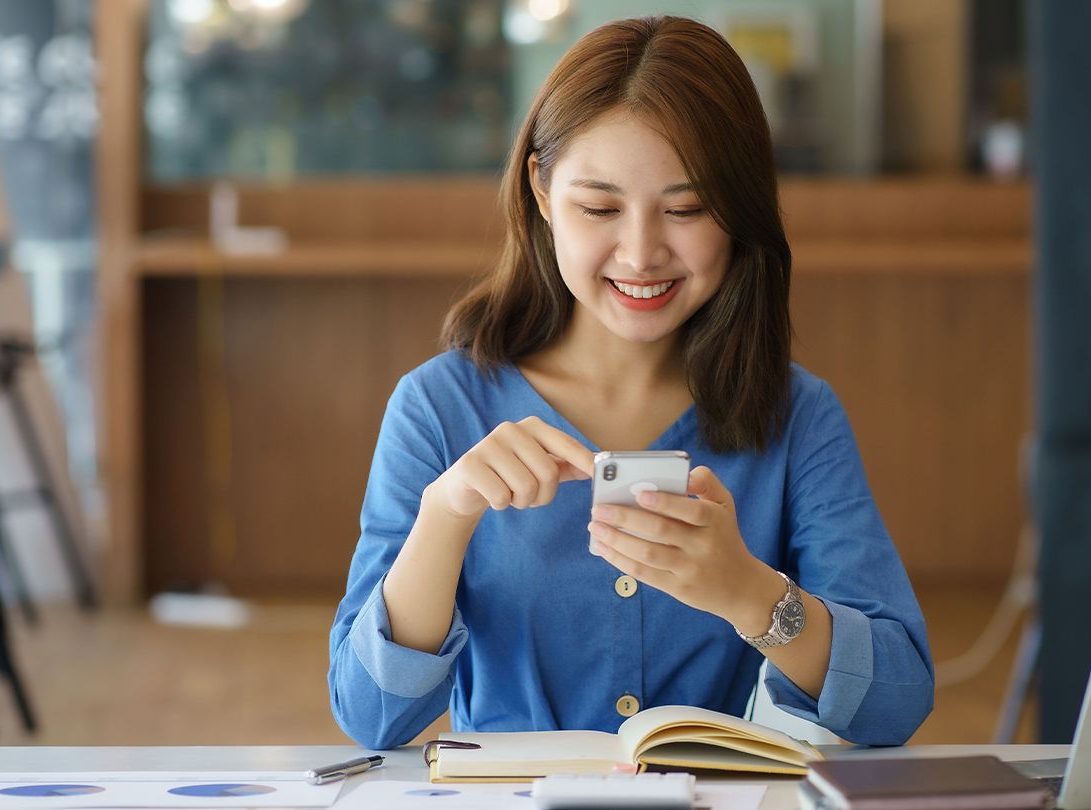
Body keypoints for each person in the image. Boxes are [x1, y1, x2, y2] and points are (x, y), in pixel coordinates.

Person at [328, 15, 933, 751]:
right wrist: (446, 516)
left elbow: (898, 700)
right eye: (601, 208)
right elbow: (368, 717)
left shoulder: (798, 416)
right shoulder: (437, 407)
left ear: (739, 211)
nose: (642, 253)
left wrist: (749, 593)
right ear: (544, 193)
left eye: (685, 209)